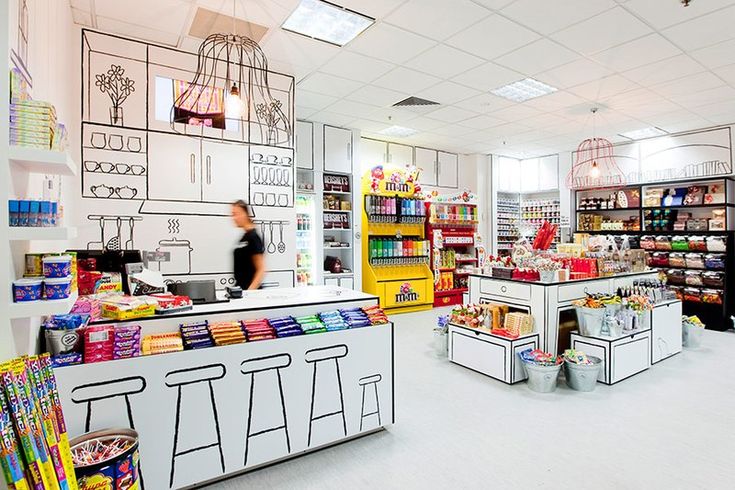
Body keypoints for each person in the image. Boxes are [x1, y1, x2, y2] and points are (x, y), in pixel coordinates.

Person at [231, 200, 265, 290]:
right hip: (241, 289)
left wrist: (249, 292)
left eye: (236, 214)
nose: (234, 218)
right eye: (232, 214)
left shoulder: (253, 237)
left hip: (250, 294)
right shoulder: (244, 237)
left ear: (245, 214)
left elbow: (261, 270)